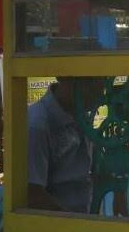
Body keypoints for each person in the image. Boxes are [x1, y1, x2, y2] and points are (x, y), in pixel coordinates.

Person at [27, 78, 95, 213]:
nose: (99, 94)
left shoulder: (80, 116)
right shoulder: (36, 126)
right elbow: (33, 194)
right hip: (57, 225)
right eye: (94, 87)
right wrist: (78, 225)